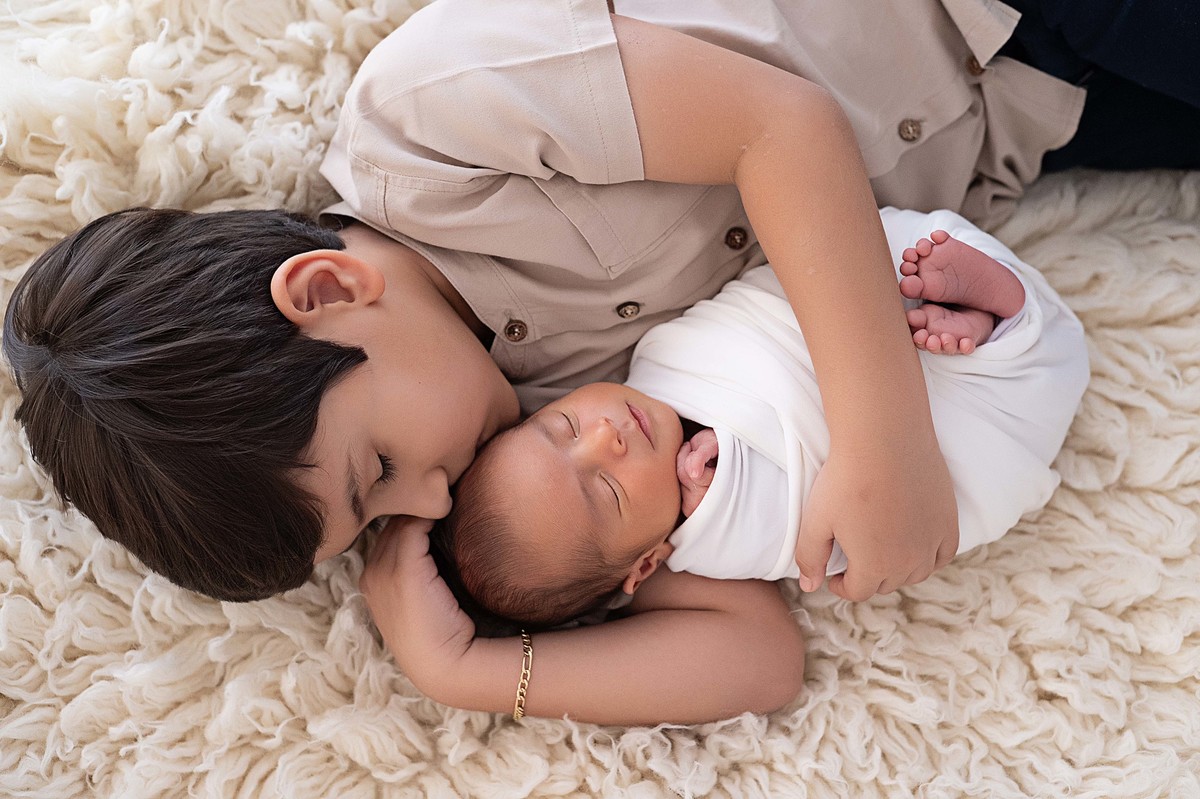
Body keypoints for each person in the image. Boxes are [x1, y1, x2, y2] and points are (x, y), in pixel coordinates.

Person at [2, 0, 1187, 723]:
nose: (426, 505)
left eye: (379, 474)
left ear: (327, 294)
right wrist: (464, 670)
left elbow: (783, 127)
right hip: (1039, 112)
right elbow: (755, 655)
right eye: (380, 521)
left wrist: (883, 443)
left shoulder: (429, 131)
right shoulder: (557, 437)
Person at [431, 208, 1090, 631]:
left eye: (564, 428)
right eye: (606, 489)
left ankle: (955, 303)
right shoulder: (715, 544)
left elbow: (747, 314)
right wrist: (724, 481)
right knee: (982, 414)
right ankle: (999, 321)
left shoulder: (651, 364)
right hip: (957, 422)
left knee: (864, 251)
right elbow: (816, 535)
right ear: (646, 564)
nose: (607, 436)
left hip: (850, 310)